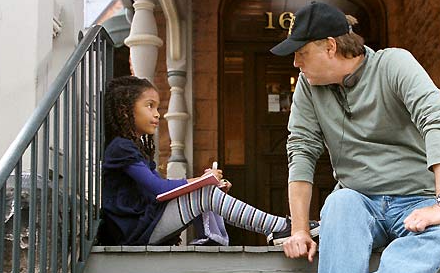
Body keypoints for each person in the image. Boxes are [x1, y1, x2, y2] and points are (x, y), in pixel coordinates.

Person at [270, 1, 440, 273]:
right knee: (339, 202)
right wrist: (301, 229)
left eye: (301, 54)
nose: (296, 65)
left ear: (329, 47)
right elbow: (301, 151)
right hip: (360, 200)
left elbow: (438, 120)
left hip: (417, 197)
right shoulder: (309, 87)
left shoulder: (394, 65)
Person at [99, 75, 319, 246]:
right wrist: (201, 182)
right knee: (205, 192)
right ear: (124, 111)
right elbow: (159, 189)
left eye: (158, 107)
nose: (157, 114)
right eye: (150, 106)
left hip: (142, 227)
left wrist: (204, 183)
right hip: (133, 232)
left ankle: (282, 227)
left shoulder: (131, 147)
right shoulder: (120, 147)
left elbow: (160, 193)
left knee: (207, 191)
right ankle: (281, 226)